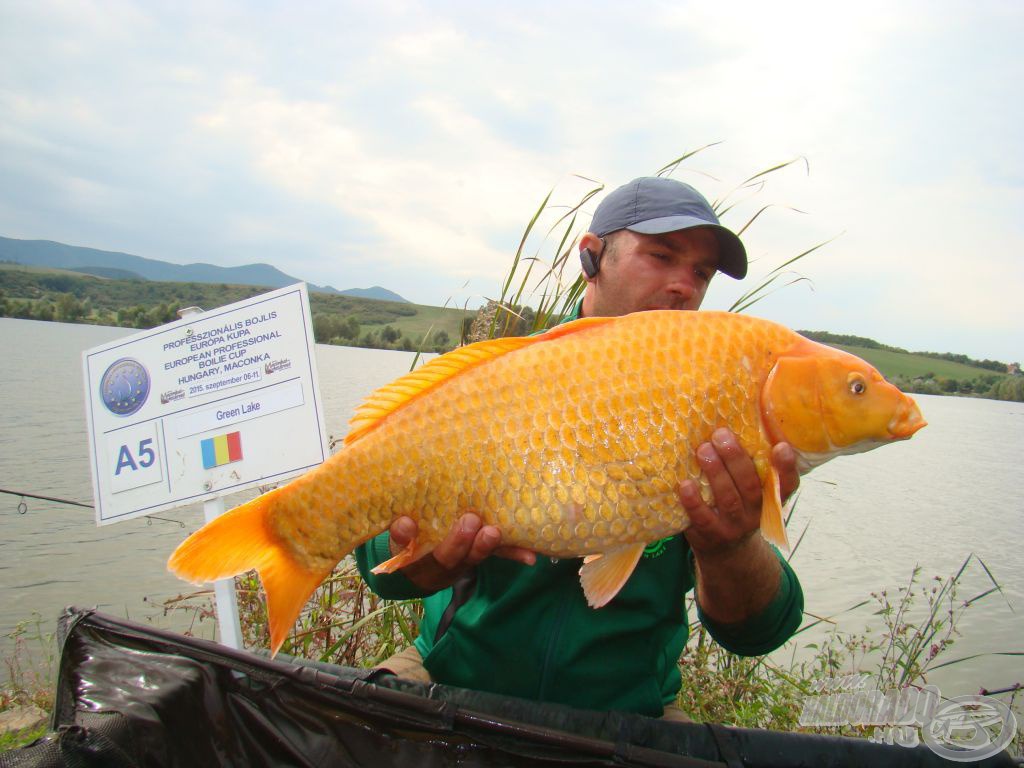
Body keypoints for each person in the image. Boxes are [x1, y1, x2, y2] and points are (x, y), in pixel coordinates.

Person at [355, 176, 804, 719]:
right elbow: (373, 556)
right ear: (592, 257)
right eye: (661, 256)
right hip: (452, 681)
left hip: (632, 716)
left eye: (701, 273)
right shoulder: (503, 378)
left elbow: (759, 632)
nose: (684, 286)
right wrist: (420, 565)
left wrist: (730, 546)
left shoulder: (708, 409)